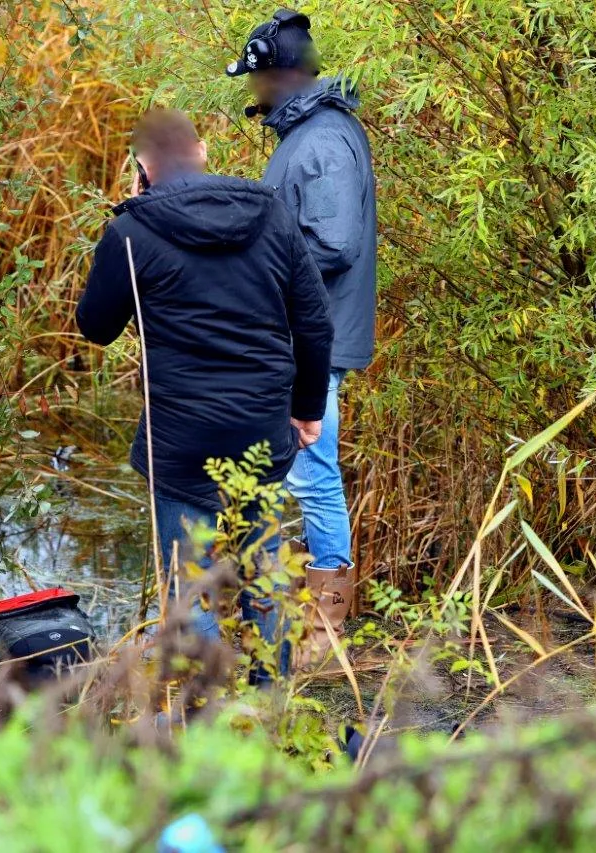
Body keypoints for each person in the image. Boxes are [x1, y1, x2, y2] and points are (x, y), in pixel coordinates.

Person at [75, 108, 333, 681]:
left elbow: (95, 327)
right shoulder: (271, 214)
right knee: (264, 570)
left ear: (142, 167)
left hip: (181, 438)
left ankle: (209, 708)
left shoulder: (131, 233)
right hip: (260, 426)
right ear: (203, 151)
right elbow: (314, 322)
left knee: (187, 586)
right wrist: (307, 410)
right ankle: (270, 699)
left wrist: (130, 224)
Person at [226, 9, 377, 666]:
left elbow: (334, 244)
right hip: (301, 333)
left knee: (313, 476)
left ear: (281, 75)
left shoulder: (321, 141)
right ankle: (291, 615)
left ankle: (325, 628)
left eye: (256, 78)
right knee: (297, 472)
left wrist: (257, 266)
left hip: (313, 338)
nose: (252, 90)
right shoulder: (311, 132)